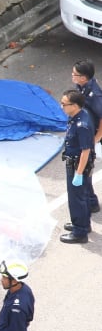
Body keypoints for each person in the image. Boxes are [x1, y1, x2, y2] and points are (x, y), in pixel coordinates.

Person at [59, 89, 94, 244]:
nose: (62, 106)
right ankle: (83, 225)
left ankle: (80, 232)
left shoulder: (82, 124)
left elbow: (85, 150)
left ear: (74, 105)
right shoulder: (77, 116)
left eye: (64, 104)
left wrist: (78, 173)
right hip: (75, 162)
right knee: (81, 197)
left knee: (76, 198)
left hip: (78, 165)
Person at [71, 59, 102, 214]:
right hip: (88, 132)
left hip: (95, 134)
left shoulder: (94, 95)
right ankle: (91, 202)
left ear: (84, 78)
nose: (72, 76)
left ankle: (91, 202)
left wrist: (96, 139)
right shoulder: (82, 87)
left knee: (85, 167)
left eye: (75, 74)